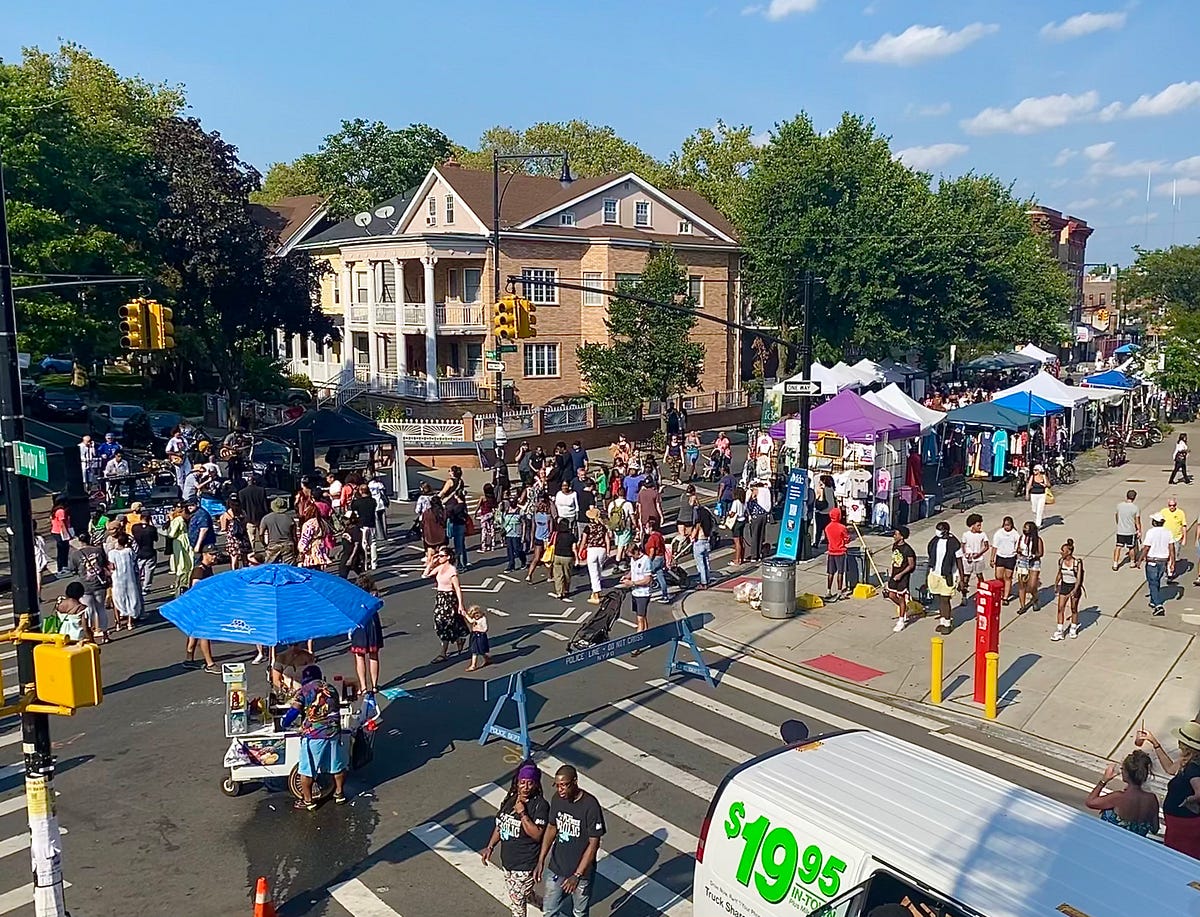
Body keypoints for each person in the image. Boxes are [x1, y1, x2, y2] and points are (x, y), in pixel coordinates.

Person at [483, 760, 550, 917]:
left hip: (525, 865)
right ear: (517, 782)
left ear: (536, 784)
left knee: (516, 903)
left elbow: (537, 834)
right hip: (508, 862)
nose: (525, 787)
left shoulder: (539, 805)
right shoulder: (510, 800)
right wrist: (490, 846)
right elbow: (501, 825)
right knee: (521, 895)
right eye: (522, 782)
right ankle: (546, 905)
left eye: (530, 783)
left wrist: (522, 813)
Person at [536, 765, 605, 917]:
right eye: (558, 785)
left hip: (581, 873)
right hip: (557, 867)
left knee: (579, 913)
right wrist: (541, 859)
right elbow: (552, 828)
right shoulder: (557, 799)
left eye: (564, 785)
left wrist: (577, 875)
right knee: (549, 910)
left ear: (575, 781)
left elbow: (594, 844)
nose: (560, 790)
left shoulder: (590, 805)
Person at [280, 665, 348, 810]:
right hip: (334, 732)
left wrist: (284, 723)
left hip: (315, 735)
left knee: (307, 769)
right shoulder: (331, 689)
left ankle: (308, 801)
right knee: (337, 765)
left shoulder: (304, 691)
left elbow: (293, 712)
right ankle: (339, 794)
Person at [1140, 722, 1200, 858]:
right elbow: (1170, 768)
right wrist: (1154, 743)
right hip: (1179, 821)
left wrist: (1188, 800)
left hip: (1184, 824)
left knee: (1178, 855)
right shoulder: (1188, 760)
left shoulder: (1193, 769)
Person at [1084, 750, 1159, 837]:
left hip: (1111, 841)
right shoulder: (1151, 799)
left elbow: (1090, 802)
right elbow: (1155, 828)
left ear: (1126, 773)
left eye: (1122, 769)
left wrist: (1104, 780)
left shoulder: (1118, 798)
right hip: (1133, 846)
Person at [423, 545, 469, 662]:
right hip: (440, 598)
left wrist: (460, 604)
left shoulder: (452, 570)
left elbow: (457, 588)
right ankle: (459, 639)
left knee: (446, 624)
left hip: (449, 598)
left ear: (448, 557)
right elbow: (425, 575)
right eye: (439, 555)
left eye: (442, 556)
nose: (440, 558)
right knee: (439, 622)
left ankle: (443, 653)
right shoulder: (440, 567)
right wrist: (431, 563)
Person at [67, 530, 110, 644]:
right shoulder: (98, 550)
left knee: (88, 611)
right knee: (101, 609)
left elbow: (72, 569)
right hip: (99, 584)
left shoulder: (75, 554)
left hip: (84, 586)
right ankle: (105, 634)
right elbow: (104, 564)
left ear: (80, 541)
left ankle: (90, 635)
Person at [184, 548, 219, 673]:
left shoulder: (208, 568)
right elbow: (195, 590)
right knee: (205, 634)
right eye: (212, 554)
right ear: (204, 555)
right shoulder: (199, 570)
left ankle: (189, 660)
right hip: (199, 606)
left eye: (215, 554)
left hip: (201, 606)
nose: (214, 557)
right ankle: (210, 664)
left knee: (193, 634)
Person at [926, 522, 965, 636]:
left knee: (945, 599)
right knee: (938, 597)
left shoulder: (954, 543)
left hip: (948, 575)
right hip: (935, 573)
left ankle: (947, 624)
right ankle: (942, 621)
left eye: (940, 529)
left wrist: (962, 579)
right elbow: (930, 555)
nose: (937, 531)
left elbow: (959, 561)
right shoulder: (935, 540)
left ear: (946, 530)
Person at [348, 573, 384, 694]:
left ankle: (363, 687)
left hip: (359, 625)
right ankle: (374, 685)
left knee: (359, 657)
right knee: (373, 655)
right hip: (373, 624)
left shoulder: (354, 596)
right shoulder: (373, 595)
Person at [1140, 512, 1176, 616]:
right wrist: (1172, 561)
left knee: (1152, 582)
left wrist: (1139, 560)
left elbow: (1146, 547)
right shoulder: (1168, 532)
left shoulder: (1151, 532)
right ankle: (1153, 600)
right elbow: (1171, 548)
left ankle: (1158, 605)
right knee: (1157, 582)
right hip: (1163, 561)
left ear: (1155, 522)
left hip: (1152, 561)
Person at [108, 532, 142, 631]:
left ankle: (118, 623)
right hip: (129, 578)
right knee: (131, 599)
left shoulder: (112, 553)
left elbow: (112, 566)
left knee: (117, 600)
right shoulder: (129, 551)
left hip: (117, 579)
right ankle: (129, 623)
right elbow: (134, 559)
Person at [887, 526, 918, 633]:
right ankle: (903, 608)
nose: (894, 536)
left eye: (896, 534)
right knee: (891, 595)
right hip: (894, 574)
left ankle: (901, 620)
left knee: (901, 597)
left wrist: (901, 574)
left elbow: (911, 565)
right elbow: (894, 560)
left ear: (902, 536)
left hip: (903, 576)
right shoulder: (895, 546)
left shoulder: (908, 550)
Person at [1052, 539, 1084, 641]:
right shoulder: (1061, 561)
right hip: (1064, 586)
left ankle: (1073, 628)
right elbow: (1059, 574)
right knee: (1060, 608)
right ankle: (1060, 631)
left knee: (1073, 609)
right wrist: (1056, 584)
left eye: (1063, 551)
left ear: (1069, 552)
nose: (1061, 552)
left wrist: (1075, 589)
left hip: (1074, 586)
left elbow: (1078, 578)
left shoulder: (1077, 562)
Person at [820, 507, 852, 601]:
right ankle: (839, 591)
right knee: (840, 572)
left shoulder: (827, 528)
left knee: (830, 572)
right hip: (840, 552)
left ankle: (828, 591)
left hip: (831, 552)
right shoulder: (842, 528)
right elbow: (846, 539)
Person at [959, 513, 990, 600]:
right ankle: (964, 596)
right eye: (978, 525)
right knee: (966, 577)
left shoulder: (982, 534)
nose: (980, 527)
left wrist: (979, 553)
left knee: (980, 576)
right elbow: (963, 545)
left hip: (978, 559)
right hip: (968, 559)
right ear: (972, 525)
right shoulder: (966, 535)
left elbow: (986, 546)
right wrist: (965, 554)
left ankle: (982, 593)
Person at [238, 474, 269, 557]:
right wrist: (266, 513)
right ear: (254, 481)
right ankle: (266, 547)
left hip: (249, 517)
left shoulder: (242, 492)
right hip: (261, 516)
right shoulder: (261, 490)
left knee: (251, 536)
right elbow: (264, 504)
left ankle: (253, 551)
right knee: (264, 533)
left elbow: (242, 506)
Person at [991, 516, 1020, 604]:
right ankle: (1002, 588)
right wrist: (992, 558)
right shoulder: (999, 533)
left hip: (1011, 557)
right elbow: (994, 546)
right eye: (1005, 525)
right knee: (998, 576)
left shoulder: (1015, 534)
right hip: (1000, 556)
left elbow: (1018, 546)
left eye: (1008, 525)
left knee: (1008, 577)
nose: (1007, 527)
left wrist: (1018, 559)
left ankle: (1005, 597)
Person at [261, 496, 298, 564]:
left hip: (273, 545)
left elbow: (261, 534)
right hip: (288, 545)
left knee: (269, 567)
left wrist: (264, 544)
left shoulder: (266, 518)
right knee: (289, 568)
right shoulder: (290, 519)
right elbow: (294, 536)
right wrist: (295, 548)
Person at [691, 493, 716, 589]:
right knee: (706, 562)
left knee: (700, 563)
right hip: (706, 540)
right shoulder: (706, 512)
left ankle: (703, 582)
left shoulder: (697, 513)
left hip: (699, 541)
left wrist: (693, 536)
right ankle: (708, 579)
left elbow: (697, 526)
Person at [297, 502, 333, 570]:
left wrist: (301, 549)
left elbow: (305, 538)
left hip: (312, 552)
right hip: (321, 549)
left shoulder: (309, 524)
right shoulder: (323, 522)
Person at [220, 496, 252, 570]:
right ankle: (246, 570)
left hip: (233, 537)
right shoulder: (242, 512)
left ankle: (234, 572)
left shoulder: (227, 514)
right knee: (245, 555)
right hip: (243, 535)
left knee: (234, 557)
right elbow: (246, 521)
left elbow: (224, 528)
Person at [526, 496, 553, 585]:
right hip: (546, 539)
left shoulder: (536, 516)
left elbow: (533, 529)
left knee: (536, 558)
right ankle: (550, 576)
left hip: (538, 538)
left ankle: (529, 575)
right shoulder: (549, 517)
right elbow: (551, 530)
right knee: (547, 559)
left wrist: (532, 541)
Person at [1114, 489, 1142, 572]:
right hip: (1130, 531)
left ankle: (1115, 563)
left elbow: (1116, 516)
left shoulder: (1119, 505)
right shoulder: (1135, 508)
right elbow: (1137, 521)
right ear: (1134, 497)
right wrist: (1139, 531)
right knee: (1131, 548)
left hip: (1120, 531)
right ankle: (1132, 562)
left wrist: (1119, 524)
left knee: (1118, 547)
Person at [550, 518, 577, 601]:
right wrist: (577, 558)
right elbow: (574, 548)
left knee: (558, 575)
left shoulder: (557, 535)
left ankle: (559, 592)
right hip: (567, 557)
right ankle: (566, 590)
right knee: (567, 575)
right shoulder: (571, 536)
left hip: (557, 555)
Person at [1161, 497, 1187, 582]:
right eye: (1170, 505)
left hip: (1176, 538)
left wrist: (1184, 538)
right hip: (1165, 538)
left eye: (1173, 505)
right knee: (1166, 555)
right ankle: (1169, 570)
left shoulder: (1180, 513)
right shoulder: (1163, 512)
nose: (1171, 507)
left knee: (1173, 556)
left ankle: (1170, 572)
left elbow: (1184, 526)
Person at [644, 517, 670, 603]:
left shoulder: (652, 538)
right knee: (660, 577)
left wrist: (648, 561)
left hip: (655, 559)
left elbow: (652, 551)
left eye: (646, 527)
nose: (645, 529)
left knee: (647, 576)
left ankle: (647, 594)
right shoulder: (659, 535)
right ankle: (665, 595)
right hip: (661, 558)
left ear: (651, 528)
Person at [745, 482, 772, 563]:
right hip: (764, 515)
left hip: (755, 516)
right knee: (760, 536)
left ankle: (754, 556)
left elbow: (749, 502)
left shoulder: (757, 491)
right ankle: (759, 554)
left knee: (754, 536)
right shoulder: (766, 492)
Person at [130, 517, 158, 594]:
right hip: (150, 551)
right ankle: (146, 587)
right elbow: (156, 539)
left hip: (139, 552)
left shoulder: (135, 527)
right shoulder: (152, 529)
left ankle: (136, 585)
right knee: (149, 570)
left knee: (137, 570)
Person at [445, 494, 471, 570]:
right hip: (462, 525)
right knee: (462, 545)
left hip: (457, 526)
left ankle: (460, 564)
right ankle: (464, 562)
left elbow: (450, 513)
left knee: (458, 546)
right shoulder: (463, 505)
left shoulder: (457, 506)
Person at [502, 499, 528, 572]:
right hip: (508, 533)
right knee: (510, 550)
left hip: (517, 533)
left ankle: (523, 560)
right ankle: (511, 564)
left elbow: (524, 524)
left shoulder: (520, 511)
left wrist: (523, 535)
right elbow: (504, 522)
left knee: (517, 549)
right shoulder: (507, 511)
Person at [187, 497, 216, 562]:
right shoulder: (194, 513)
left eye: (192, 505)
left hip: (204, 544)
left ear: (197, 504)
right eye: (188, 505)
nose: (189, 507)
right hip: (196, 543)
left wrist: (198, 545)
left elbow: (204, 530)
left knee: (203, 563)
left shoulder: (202, 514)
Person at [463, 604, 490, 671]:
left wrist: (478, 629)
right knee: (475, 650)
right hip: (474, 635)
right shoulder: (475, 619)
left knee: (479, 650)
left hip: (480, 636)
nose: (476, 616)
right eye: (474, 615)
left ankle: (473, 665)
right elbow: (471, 621)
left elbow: (485, 629)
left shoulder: (483, 619)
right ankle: (486, 659)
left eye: (477, 613)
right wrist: (465, 615)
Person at [50, 498, 73, 574]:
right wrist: (67, 534)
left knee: (61, 550)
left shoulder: (55, 510)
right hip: (60, 532)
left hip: (55, 531)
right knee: (64, 550)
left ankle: (61, 567)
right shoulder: (61, 511)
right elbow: (62, 523)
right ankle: (63, 566)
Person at [728, 486, 748, 566]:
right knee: (741, 540)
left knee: (737, 542)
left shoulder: (736, 502)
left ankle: (737, 560)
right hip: (742, 520)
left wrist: (729, 514)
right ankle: (742, 558)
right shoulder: (744, 502)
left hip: (737, 522)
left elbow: (732, 513)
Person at [1026, 463, 1050, 527]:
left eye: (1036, 470)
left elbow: (1049, 485)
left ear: (1039, 470)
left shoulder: (1044, 476)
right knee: (1034, 510)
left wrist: (1045, 485)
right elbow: (1029, 485)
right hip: (1034, 495)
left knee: (1040, 510)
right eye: (1034, 470)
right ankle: (1037, 519)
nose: (1034, 471)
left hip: (1042, 495)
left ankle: (1037, 525)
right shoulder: (1032, 477)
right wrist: (1027, 493)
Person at [478, 483, 499, 554]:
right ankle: (492, 545)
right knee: (492, 529)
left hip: (484, 515)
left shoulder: (483, 498)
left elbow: (479, 505)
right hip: (491, 514)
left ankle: (483, 547)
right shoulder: (493, 497)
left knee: (484, 531)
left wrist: (475, 512)